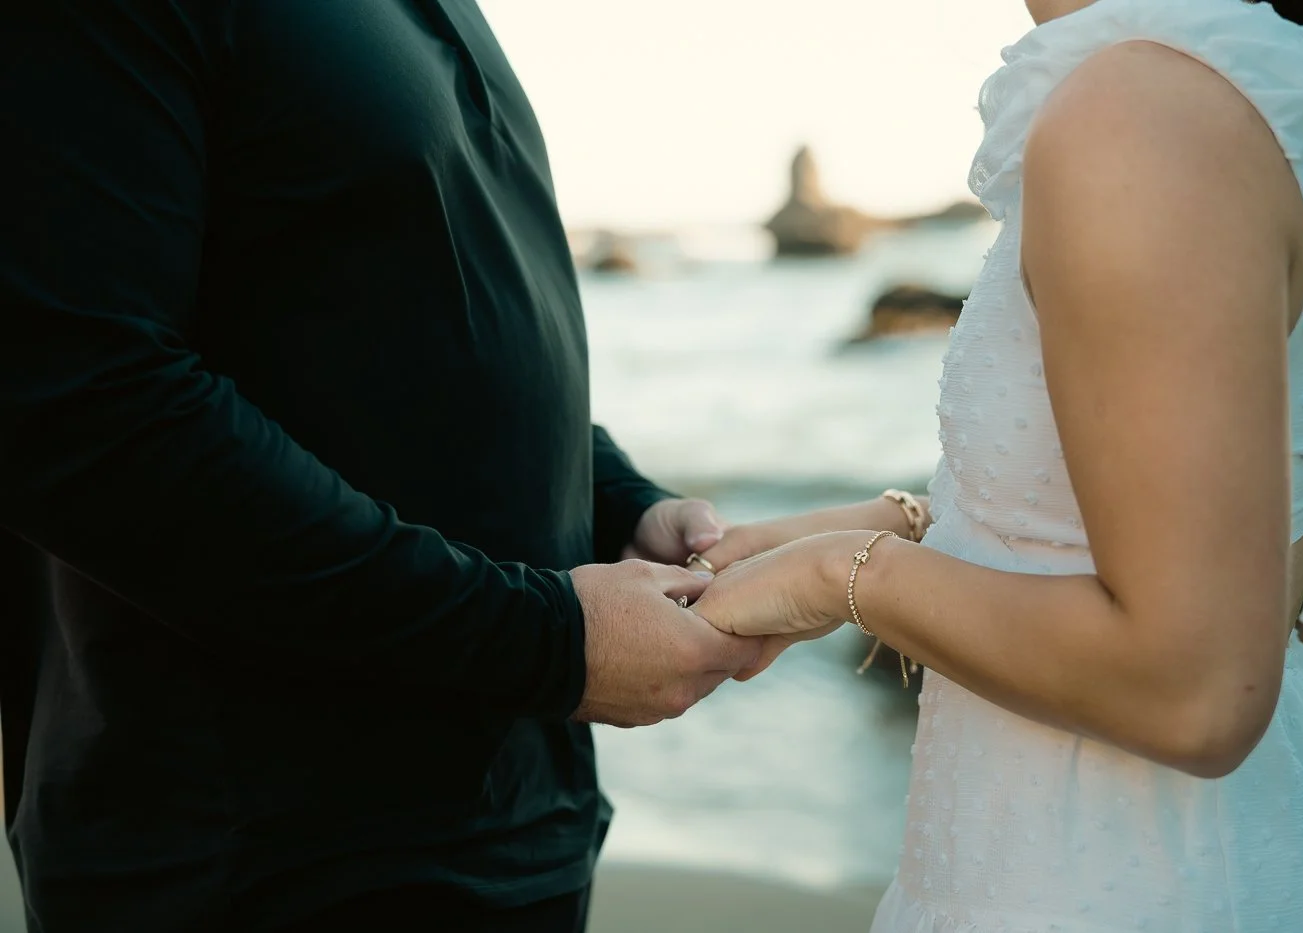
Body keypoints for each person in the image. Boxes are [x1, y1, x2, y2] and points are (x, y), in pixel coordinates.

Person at [0, 3, 764, 932]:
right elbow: (82, 408)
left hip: (512, 819)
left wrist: (617, 499)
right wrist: (545, 642)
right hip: (263, 859)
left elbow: (413, 316)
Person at [693, 0, 1303, 928]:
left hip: (1130, 883)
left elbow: (1192, 691)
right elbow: (1208, 536)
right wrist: (892, 523)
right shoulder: (1254, 92)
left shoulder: (1147, 108)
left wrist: (837, 578)